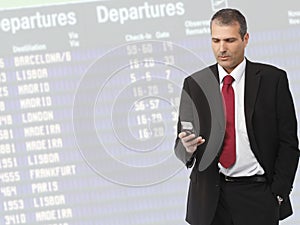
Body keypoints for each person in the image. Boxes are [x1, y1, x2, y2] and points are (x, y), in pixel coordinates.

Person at [174, 8, 300, 225]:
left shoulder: (273, 80)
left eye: (230, 40)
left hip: (258, 195)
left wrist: (278, 194)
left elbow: (289, 142)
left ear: (245, 38)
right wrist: (186, 148)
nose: (221, 48)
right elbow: (180, 147)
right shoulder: (195, 85)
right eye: (216, 40)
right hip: (210, 199)